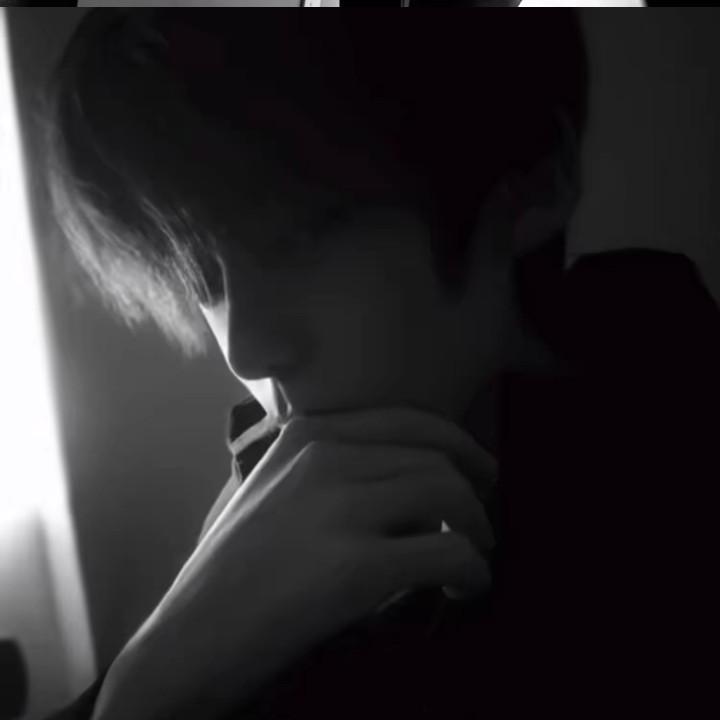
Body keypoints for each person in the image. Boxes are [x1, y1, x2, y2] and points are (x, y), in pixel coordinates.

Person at [37, 7, 719, 720]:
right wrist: (155, 672)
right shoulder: (269, 488)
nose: (246, 349)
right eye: (201, 276)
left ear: (531, 185)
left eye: (296, 241)